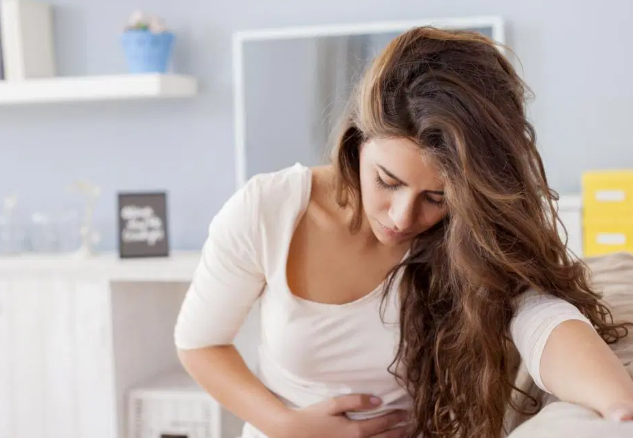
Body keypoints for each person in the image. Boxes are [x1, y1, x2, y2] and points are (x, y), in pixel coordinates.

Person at [174, 27, 633, 438]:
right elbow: (199, 343)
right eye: (387, 181)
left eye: (436, 197)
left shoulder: (470, 236)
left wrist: (619, 404)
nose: (401, 217)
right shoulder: (269, 210)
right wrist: (285, 425)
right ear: (357, 142)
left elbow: (543, 321)